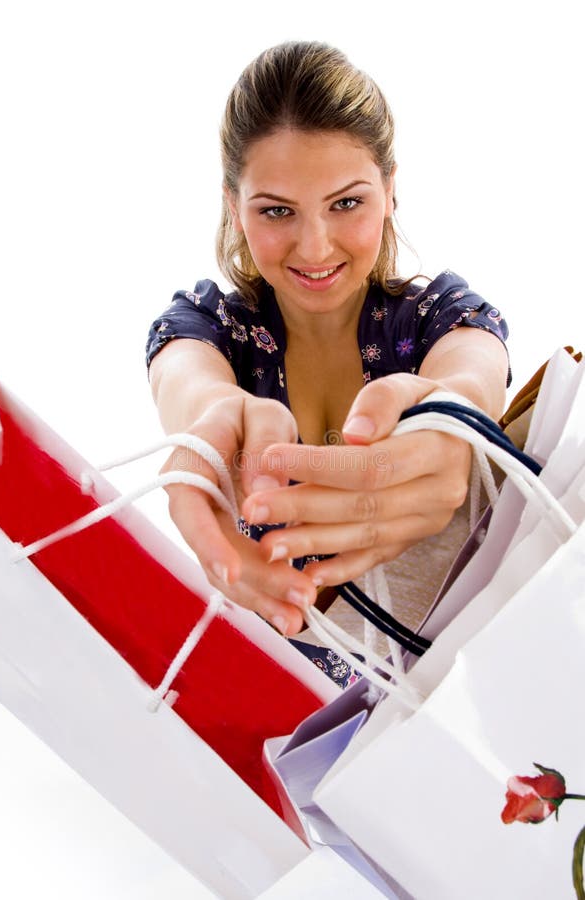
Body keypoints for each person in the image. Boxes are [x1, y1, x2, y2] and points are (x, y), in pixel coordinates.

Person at [145, 41, 509, 679]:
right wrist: (210, 428)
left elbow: (474, 372)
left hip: (456, 710)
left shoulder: (440, 317)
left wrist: (452, 418)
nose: (315, 247)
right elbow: (190, 381)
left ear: (390, 192)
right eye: (277, 211)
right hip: (275, 711)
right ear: (234, 207)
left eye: (346, 203)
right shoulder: (208, 327)